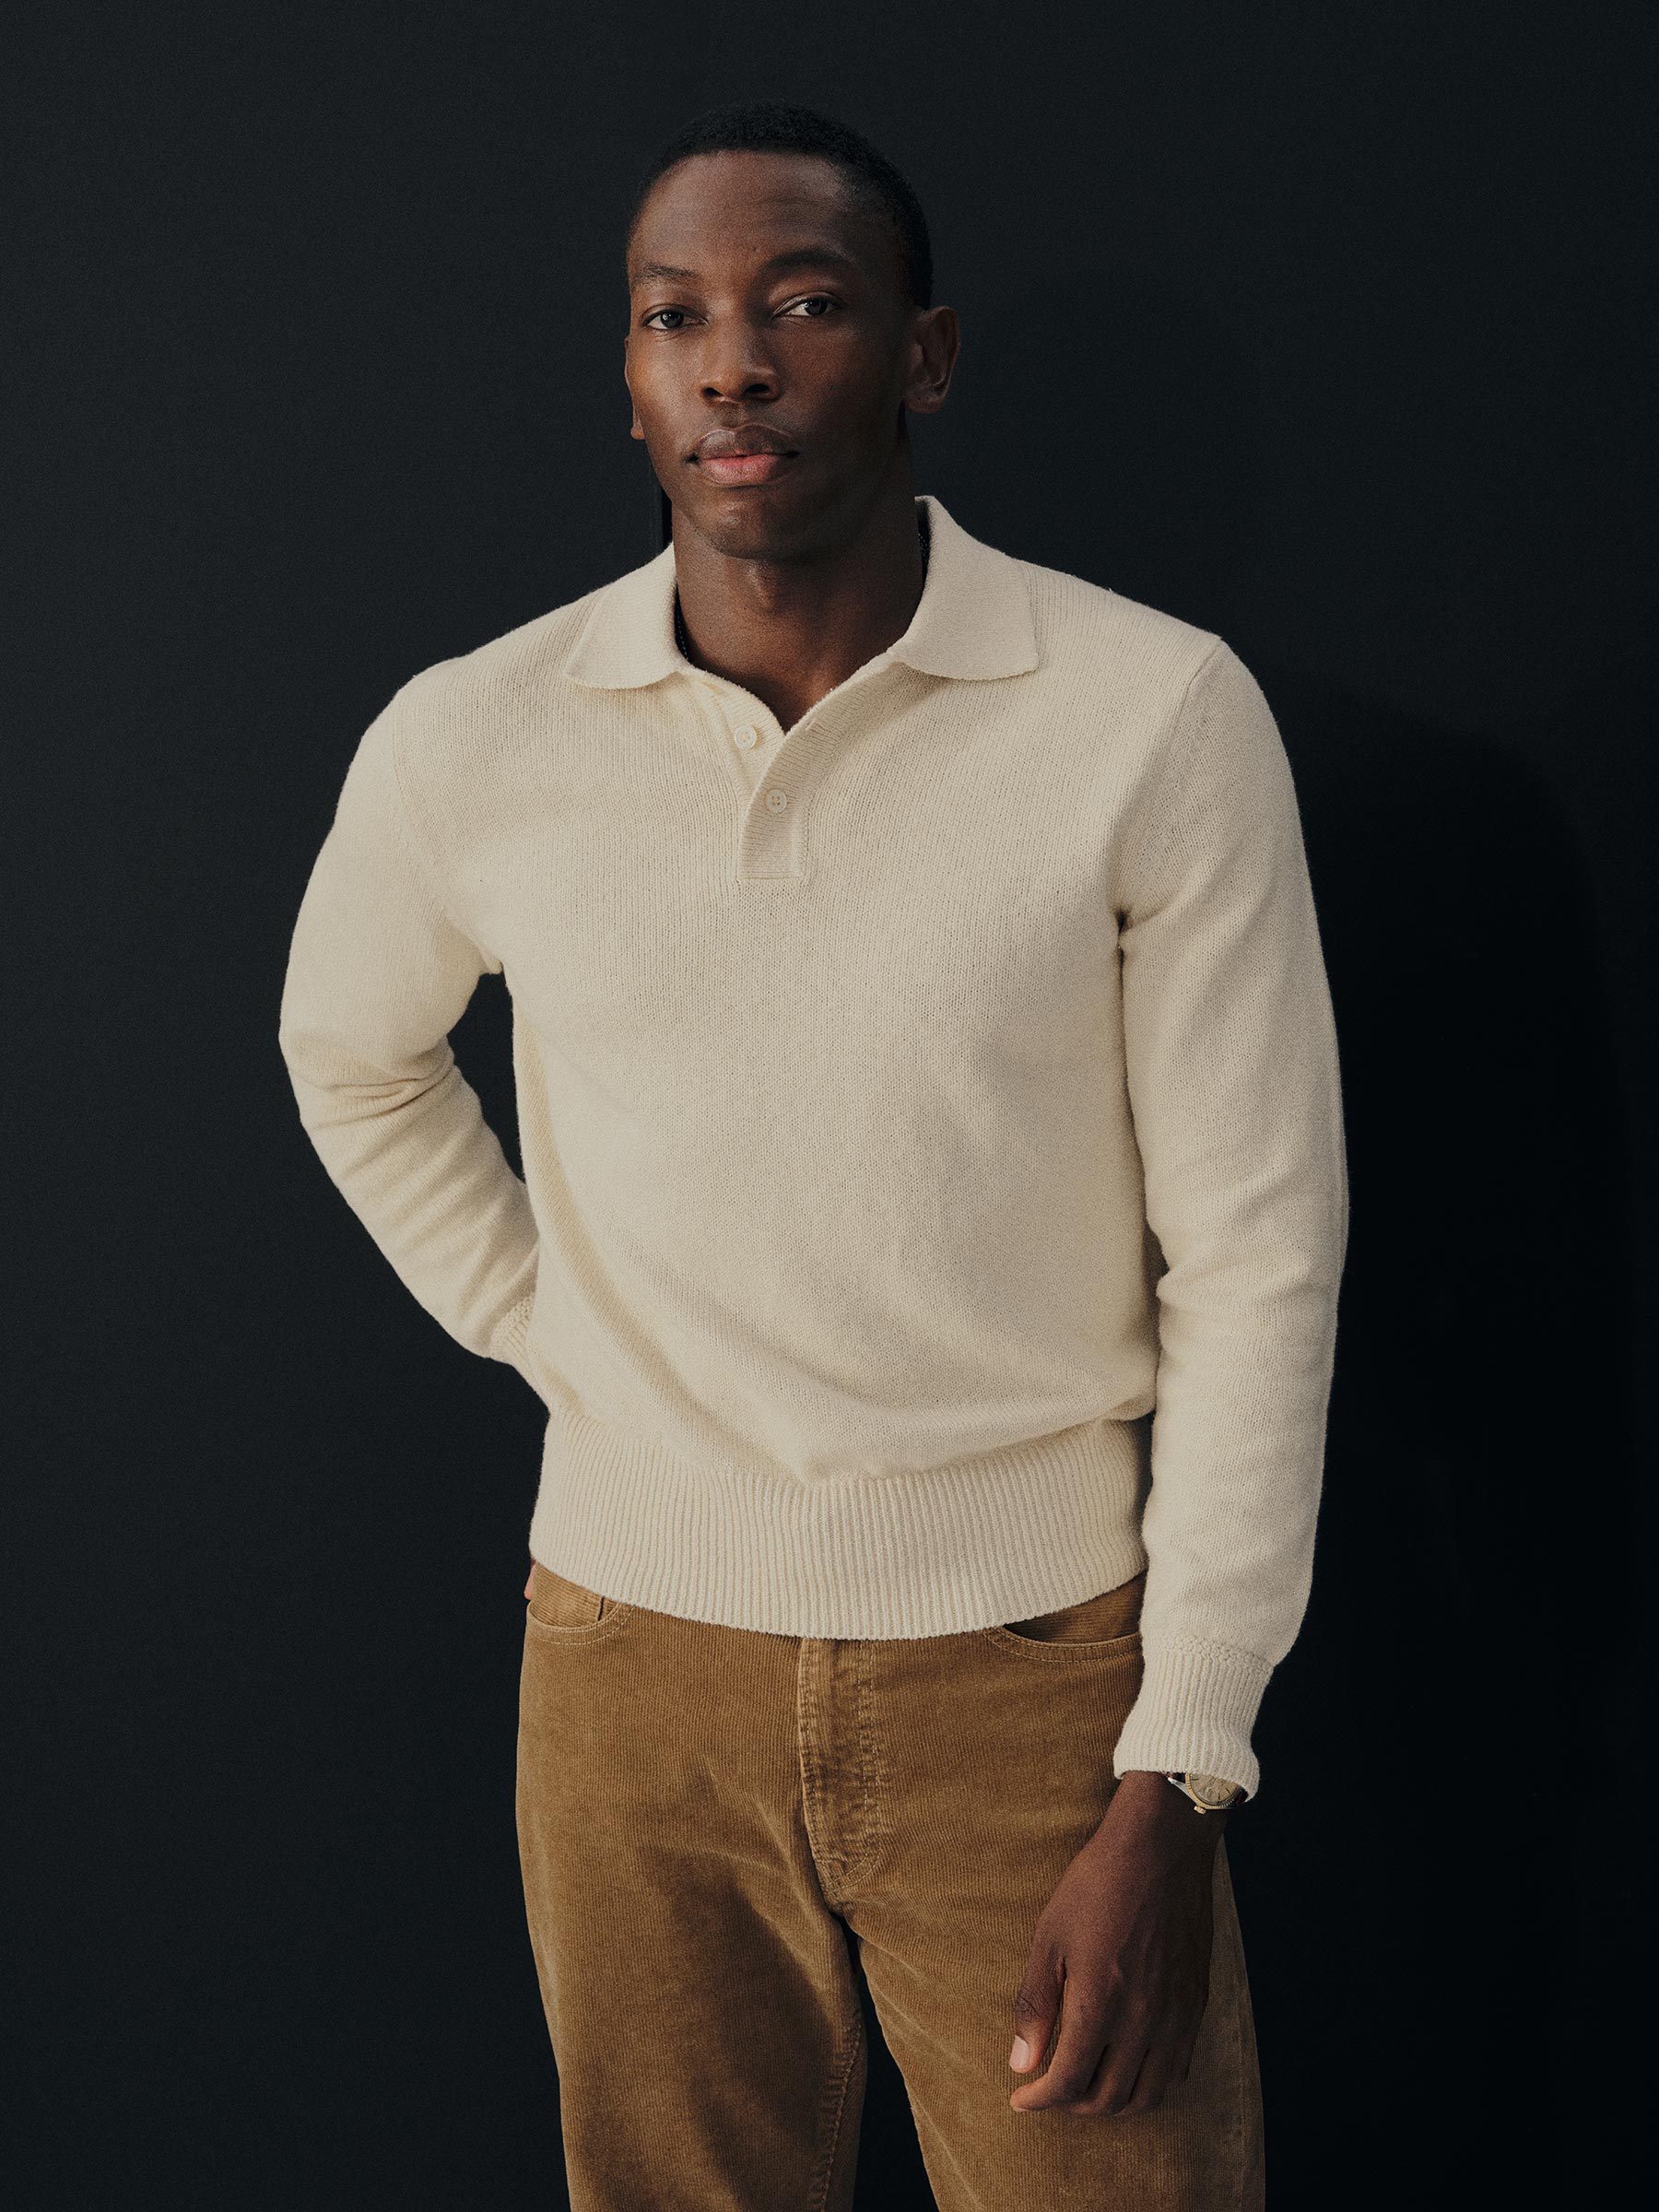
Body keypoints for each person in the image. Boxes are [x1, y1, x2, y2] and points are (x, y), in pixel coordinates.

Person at [277, 97, 1347, 2212]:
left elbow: (1259, 1256)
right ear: (629, 378)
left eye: (803, 305)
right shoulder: (480, 733)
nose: (733, 365)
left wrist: (1179, 1761)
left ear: (923, 358)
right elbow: (349, 1055)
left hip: (1039, 1682)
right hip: (624, 1676)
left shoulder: (1151, 714)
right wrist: (553, 1328)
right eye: (674, 316)